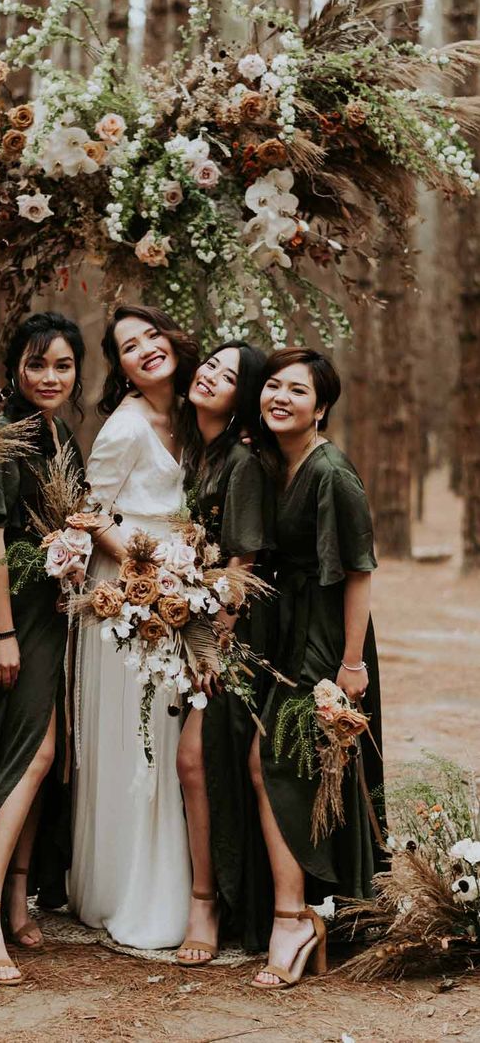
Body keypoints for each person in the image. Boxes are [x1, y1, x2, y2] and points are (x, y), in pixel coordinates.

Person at [0, 312, 85, 985]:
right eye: (37, 365)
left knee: (49, 755)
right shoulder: (6, 436)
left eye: (62, 365)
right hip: (20, 618)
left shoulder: (63, 434)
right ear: (15, 371)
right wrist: (2, 631)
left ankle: (13, 892)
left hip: (57, 611)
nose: (50, 377)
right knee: (29, 755)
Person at [249, 346, 384, 989]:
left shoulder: (333, 473)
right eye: (272, 385)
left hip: (330, 638)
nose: (280, 397)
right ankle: (298, 911)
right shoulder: (279, 463)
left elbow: (358, 571)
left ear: (321, 406)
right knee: (282, 761)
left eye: (297, 390)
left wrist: (351, 662)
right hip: (292, 627)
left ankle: (293, 918)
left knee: (273, 758)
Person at [69, 304, 199, 949]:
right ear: (118, 368)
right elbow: (91, 514)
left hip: (182, 590)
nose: (146, 349)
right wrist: (150, 571)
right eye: (128, 346)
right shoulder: (124, 428)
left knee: (178, 731)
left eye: (152, 334)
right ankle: (128, 887)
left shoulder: (197, 416)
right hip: (126, 596)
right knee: (140, 734)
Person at [175, 341, 275, 966]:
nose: (210, 376)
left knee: (195, 759)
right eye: (209, 364)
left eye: (229, 376)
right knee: (195, 762)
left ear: (244, 398)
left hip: (235, 634)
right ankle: (210, 895)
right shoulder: (199, 454)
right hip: (196, 629)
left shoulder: (240, 463)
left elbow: (242, 562)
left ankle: (208, 902)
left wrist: (215, 648)